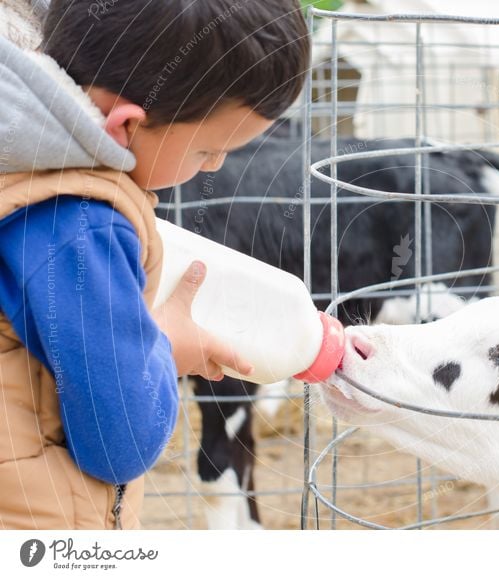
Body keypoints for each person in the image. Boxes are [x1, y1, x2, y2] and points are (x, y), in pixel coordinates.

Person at [0, 0, 309, 529]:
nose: (215, 165)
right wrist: (165, 346)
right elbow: (118, 442)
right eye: (208, 151)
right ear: (126, 125)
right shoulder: (82, 226)